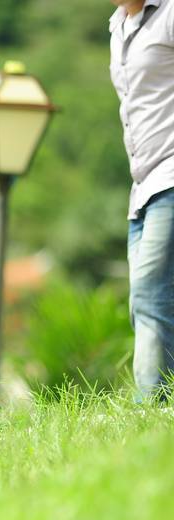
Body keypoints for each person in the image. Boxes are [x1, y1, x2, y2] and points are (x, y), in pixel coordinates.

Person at [109, 0, 174, 400]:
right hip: (143, 185)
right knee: (149, 300)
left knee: (148, 295)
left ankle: (150, 409)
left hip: (172, 173)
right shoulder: (117, 24)